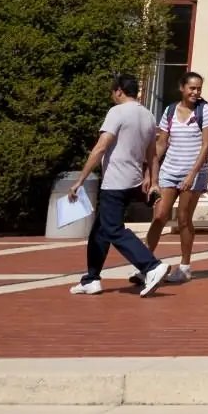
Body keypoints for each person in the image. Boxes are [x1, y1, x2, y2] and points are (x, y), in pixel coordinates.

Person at [66, 74, 170, 296]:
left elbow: (101, 147)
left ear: (119, 91)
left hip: (115, 181)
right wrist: (154, 181)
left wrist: (80, 180)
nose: (112, 96)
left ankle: (151, 266)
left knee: (113, 229)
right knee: (100, 231)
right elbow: (152, 154)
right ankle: (91, 279)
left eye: (112, 92)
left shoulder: (117, 112)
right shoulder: (148, 115)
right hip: (132, 181)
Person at [143, 71, 208, 285]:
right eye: (192, 88)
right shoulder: (170, 110)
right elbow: (162, 143)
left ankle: (184, 267)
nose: (196, 92)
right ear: (182, 88)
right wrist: (150, 173)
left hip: (193, 172)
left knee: (184, 219)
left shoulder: (205, 111)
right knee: (159, 216)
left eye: (199, 88)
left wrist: (192, 174)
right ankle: (145, 265)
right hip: (169, 170)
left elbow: (206, 146)